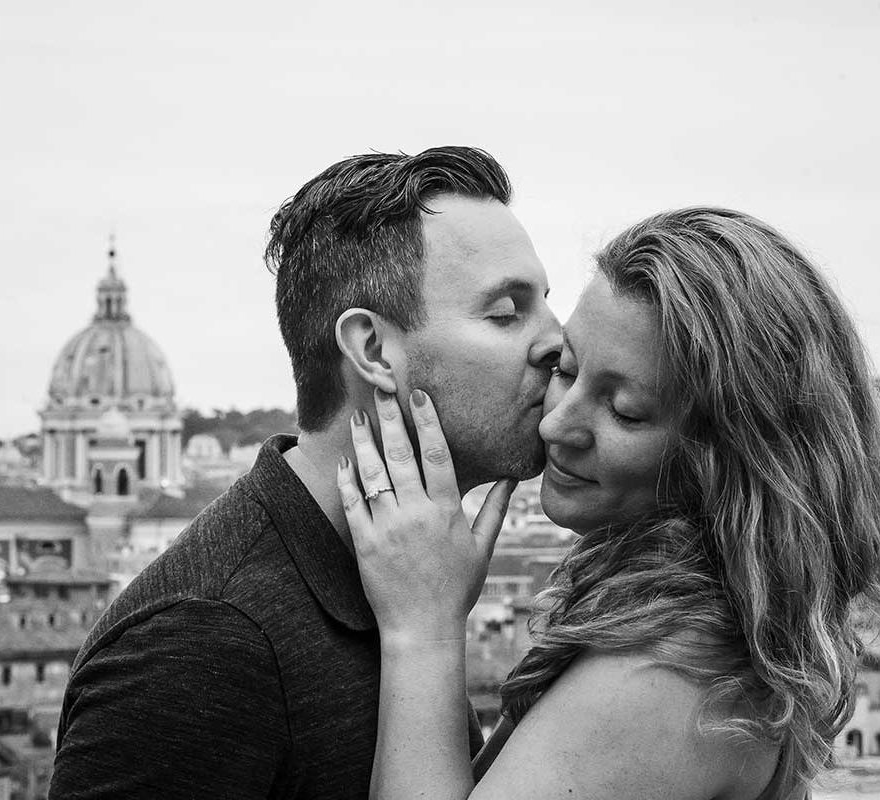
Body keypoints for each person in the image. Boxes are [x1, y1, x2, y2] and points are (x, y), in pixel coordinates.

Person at [49, 146, 561, 798]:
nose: (557, 340)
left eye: (545, 302)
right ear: (373, 350)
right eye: (506, 312)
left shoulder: (414, 580)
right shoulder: (200, 644)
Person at [338, 207, 880, 799]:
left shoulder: (663, 678)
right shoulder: (719, 633)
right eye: (566, 370)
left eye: (624, 411)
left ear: (731, 459)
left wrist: (425, 628)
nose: (556, 426)